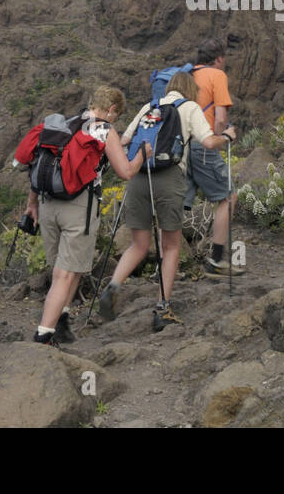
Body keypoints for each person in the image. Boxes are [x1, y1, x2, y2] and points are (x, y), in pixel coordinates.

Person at [98, 71, 235, 330]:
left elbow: (125, 140)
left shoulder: (150, 106)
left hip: (139, 176)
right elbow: (208, 142)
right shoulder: (189, 107)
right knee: (170, 246)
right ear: (189, 89)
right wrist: (227, 137)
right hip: (169, 178)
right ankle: (162, 309)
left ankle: (113, 287)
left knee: (138, 245)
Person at [21, 85, 145, 345]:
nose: (114, 120)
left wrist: (31, 204)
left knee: (69, 269)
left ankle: (62, 322)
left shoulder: (66, 123)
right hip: (78, 207)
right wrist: (143, 155)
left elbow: (38, 162)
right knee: (64, 275)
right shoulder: (104, 128)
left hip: (47, 204)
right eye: (116, 116)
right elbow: (125, 171)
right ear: (111, 110)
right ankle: (43, 335)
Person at [187, 38, 243, 278]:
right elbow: (220, 118)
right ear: (219, 58)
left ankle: (164, 260)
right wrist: (221, 139)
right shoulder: (217, 75)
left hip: (181, 145)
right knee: (228, 197)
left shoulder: (186, 75)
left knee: (178, 205)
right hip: (203, 144)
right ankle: (217, 260)